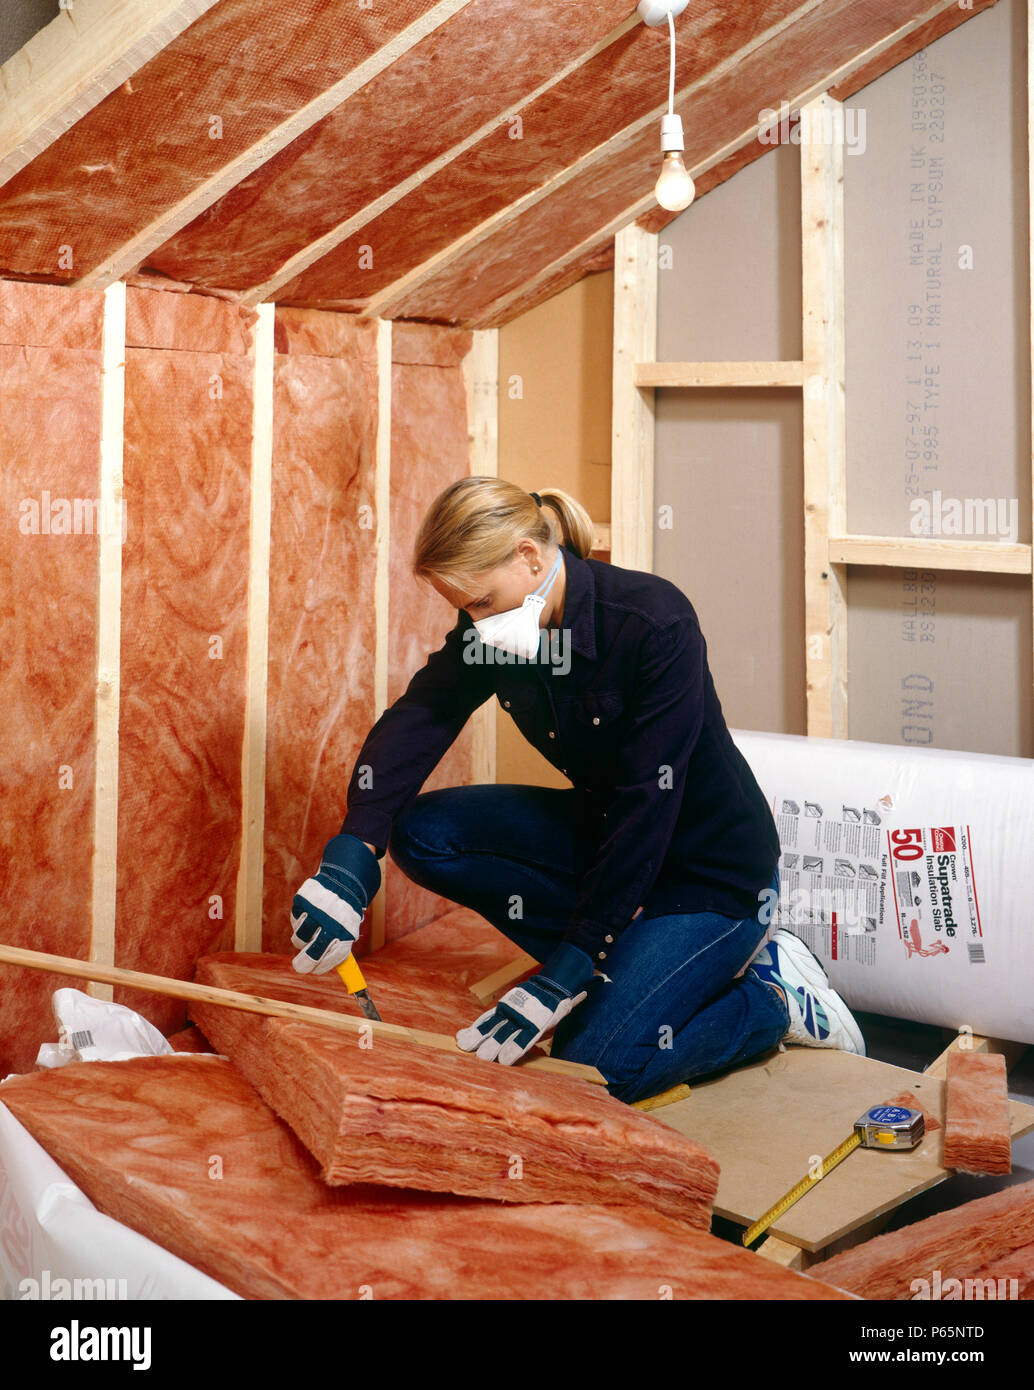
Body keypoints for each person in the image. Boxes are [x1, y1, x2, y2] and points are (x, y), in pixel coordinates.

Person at [288, 477, 864, 1104]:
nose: (475, 623)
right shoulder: (503, 627)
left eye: (481, 602)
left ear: (529, 557)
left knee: (597, 1066)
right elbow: (424, 715)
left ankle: (773, 998)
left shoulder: (654, 623)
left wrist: (569, 967)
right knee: (425, 835)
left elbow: (650, 805)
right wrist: (354, 850)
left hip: (709, 876)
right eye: (465, 610)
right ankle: (624, 963)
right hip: (607, 839)